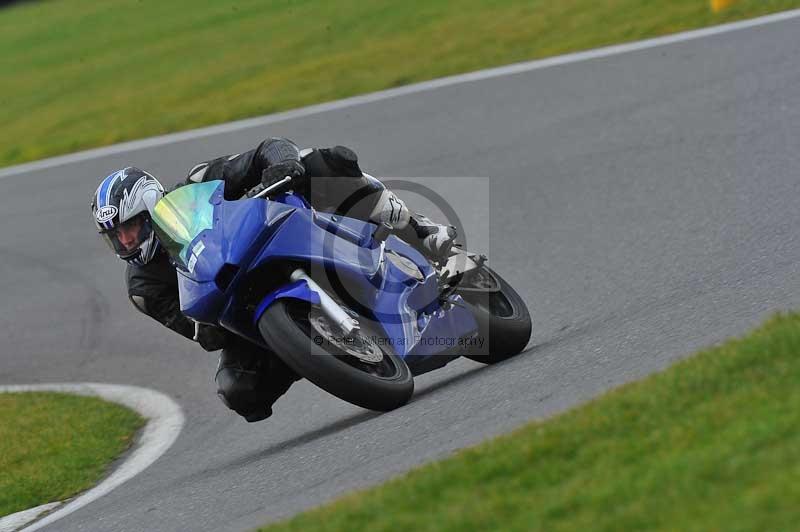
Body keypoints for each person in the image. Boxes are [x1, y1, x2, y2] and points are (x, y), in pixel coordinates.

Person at [90, 137, 456, 422]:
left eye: (131, 227)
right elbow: (195, 330)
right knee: (239, 391)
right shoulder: (143, 287)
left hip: (274, 235)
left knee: (323, 161)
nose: (125, 241)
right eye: (116, 236)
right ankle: (319, 351)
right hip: (237, 307)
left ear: (152, 207)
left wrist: (281, 165)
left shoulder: (198, 183)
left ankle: (419, 229)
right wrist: (205, 330)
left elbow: (267, 149)